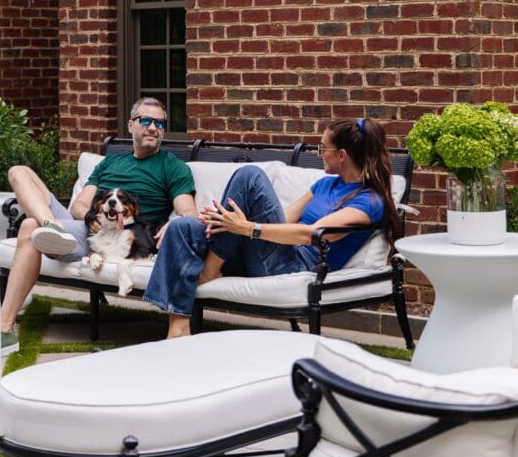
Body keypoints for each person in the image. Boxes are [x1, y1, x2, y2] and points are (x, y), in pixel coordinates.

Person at [143, 117, 399, 338]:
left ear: (341, 155)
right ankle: (178, 330)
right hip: (267, 253)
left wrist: (247, 228)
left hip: (294, 264)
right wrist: (225, 221)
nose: (319, 153)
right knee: (183, 227)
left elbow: (311, 235)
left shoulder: (370, 200)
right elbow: (284, 218)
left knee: (249, 176)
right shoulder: (324, 185)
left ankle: (210, 270)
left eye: (322, 148)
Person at [0, 97, 197, 353]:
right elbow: (78, 206)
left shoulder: (174, 168)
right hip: (88, 229)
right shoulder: (110, 163)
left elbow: (188, 213)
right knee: (18, 171)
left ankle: (3, 329)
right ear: (130, 125)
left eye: (159, 123)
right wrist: (90, 218)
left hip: (124, 237)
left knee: (28, 226)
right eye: (146, 120)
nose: (153, 127)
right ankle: (52, 226)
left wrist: (176, 222)